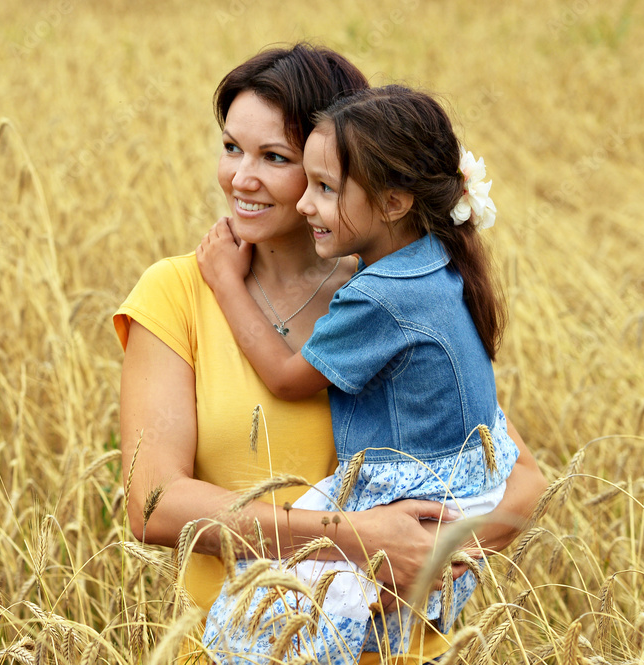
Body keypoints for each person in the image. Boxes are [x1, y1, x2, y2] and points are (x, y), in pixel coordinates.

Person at [114, 45, 546, 663]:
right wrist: (355, 539)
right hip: (247, 649)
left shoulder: (393, 300)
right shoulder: (179, 292)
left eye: (276, 158)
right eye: (232, 147)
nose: (240, 177)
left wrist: (429, 552)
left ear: (352, 171)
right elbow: (154, 506)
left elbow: (521, 481)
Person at [196, 84, 518, 662]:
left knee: (257, 626)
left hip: (403, 502)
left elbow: (287, 378)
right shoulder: (436, 262)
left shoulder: (376, 296)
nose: (304, 204)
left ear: (395, 203)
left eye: (324, 188)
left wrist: (224, 280)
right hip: (469, 496)